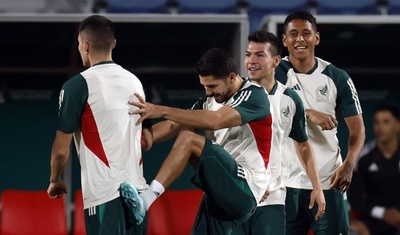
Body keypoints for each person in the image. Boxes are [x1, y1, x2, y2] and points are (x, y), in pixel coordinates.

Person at [126, 48, 272, 234]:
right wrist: (140, 139)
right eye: (204, 86)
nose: (208, 92)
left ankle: (145, 200)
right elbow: (173, 125)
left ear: (232, 77)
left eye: (212, 86)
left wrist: (159, 109)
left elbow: (216, 120)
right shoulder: (208, 100)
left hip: (247, 186)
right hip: (221, 187)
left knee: (189, 139)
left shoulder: (254, 95)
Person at [47, 15, 153, 235]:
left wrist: (55, 180)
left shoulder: (77, 85)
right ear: (113, 43)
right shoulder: (135, 82)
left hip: (106, 196)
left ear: (85, 45)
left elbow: (60, 150)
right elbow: (146, 140)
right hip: (140, 197)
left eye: (78, 44)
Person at [275, 10, 366, 235]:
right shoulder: (275, 73)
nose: (300, 39)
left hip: (328, 182)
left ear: (316, 38)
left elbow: (358, 130)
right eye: (293, 34)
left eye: (306, 33)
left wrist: (349, 164)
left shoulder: (337, 76)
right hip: (285, 183)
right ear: (285, 40)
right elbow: (267, 107)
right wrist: (308, 113)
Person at [231, 29, 325, 235]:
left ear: (275, 61)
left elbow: (303, 144)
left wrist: (317, 187)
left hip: (272, 199)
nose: (251, 61)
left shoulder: (289, 99)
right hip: (234, 198)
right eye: (248, 55)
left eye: (259, 55)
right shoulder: (231, 95)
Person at [348, 105, 400, 235]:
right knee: (353, 231)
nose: (380, 127)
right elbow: (355, 199)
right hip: (372, 219)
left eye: (386, 122)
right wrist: (382, 213)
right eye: (377, 122)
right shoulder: (363, 157)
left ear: (398, 126)